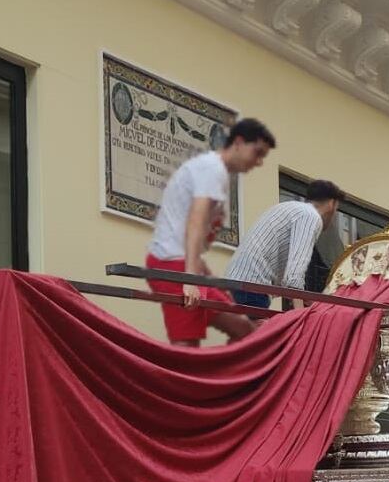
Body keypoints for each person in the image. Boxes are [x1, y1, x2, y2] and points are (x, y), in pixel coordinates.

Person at [145, 118, 275, 346]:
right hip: (171, 265)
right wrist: (190, 281)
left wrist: (208, 277)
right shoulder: (212, 169)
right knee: (187, 346)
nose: (259, 162)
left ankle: (228, 380)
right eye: (257, 153)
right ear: (239, 142)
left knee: (244, 328)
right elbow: (195, 222)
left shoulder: (216, 172)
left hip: (182, 265)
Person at [224, 181, 343, 309]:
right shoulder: (311, 217)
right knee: (265, 327)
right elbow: (293, 278)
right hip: (252, 289)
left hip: (235, 284)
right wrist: (300, 316)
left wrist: (302, 298)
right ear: (332, 204)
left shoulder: (290, 208)